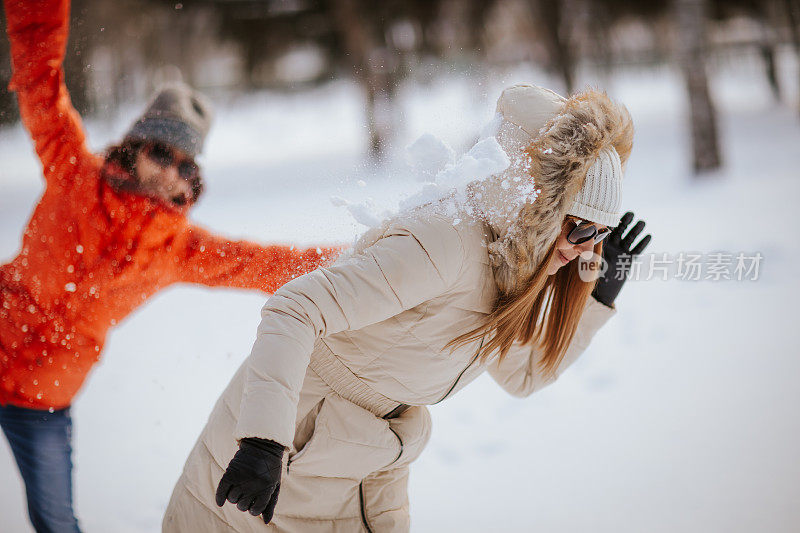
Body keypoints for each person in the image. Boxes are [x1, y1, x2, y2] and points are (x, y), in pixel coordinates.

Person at [163, 84, 652, 532]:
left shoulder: (513, 275)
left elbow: (522, 375)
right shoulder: (445, 244)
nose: (586, 249)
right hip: (276, 458)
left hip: (358, 470)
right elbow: (296, 308)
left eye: (600, 235)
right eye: (580, 227)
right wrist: (262, 441)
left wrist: (598, 298)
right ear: (538, 203)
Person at [0, 1, 340, 532]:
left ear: (191, 183)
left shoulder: (177, 249)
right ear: (135, 149)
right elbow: (41, 81)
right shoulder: (72, 170)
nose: (171, 170)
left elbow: (268, 264)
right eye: (163, 151)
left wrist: (364, 260)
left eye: (186, 164)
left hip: (42, 399)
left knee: (56, 521)